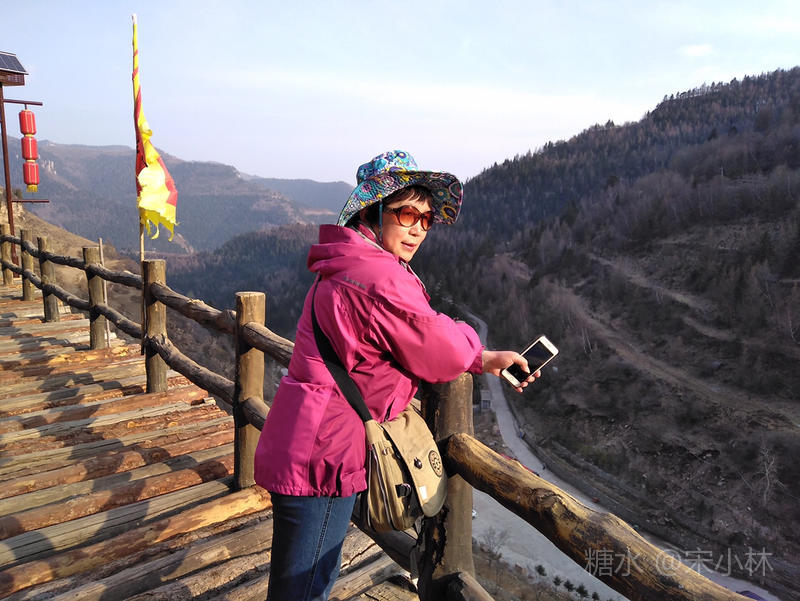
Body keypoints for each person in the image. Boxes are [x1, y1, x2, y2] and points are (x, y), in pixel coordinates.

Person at [253, 150, 539, 601]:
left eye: (426, 219)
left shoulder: (346, 262)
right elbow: (439, 347)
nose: (418, 229)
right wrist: (478, 350)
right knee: (304, 589)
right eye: (407, 214)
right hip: (324, 450)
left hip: (310, 436)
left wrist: (478, 355)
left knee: (299, 583)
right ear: (375, 210)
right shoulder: (378, 276)